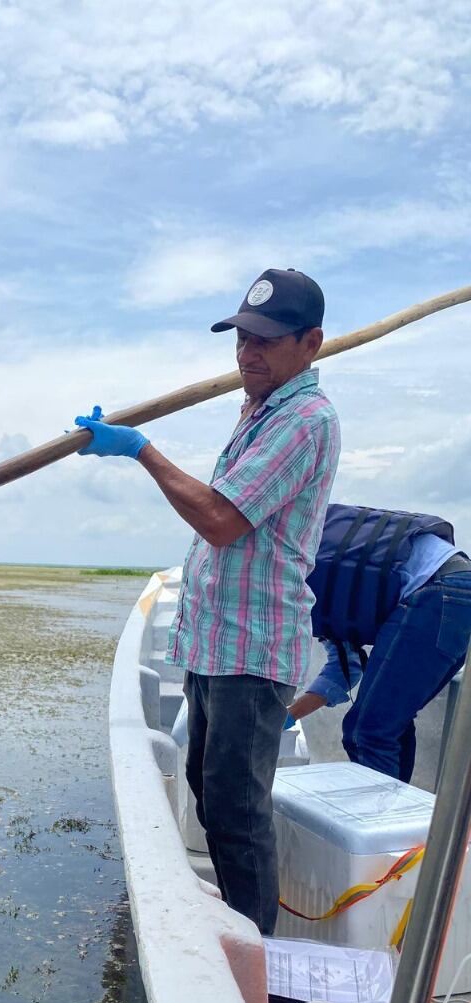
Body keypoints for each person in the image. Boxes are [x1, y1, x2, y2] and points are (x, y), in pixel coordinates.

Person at [75, 267, 340, 935]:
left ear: (311, 344)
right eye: (242, 339)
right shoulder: (260, 408)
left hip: (253, 650)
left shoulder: (305, 419)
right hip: (216, 642)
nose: (248, 354)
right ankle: (240, 919)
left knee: (236, 809)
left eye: (267, 342)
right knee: (205, 782)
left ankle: (255, 949)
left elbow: (222, 520)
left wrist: (141, 449)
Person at [286, 503, 471, 782]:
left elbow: (344, 668)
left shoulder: (292, 574)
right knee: (389, 725)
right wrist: (289, 716)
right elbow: (346, 667)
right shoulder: (322, 566)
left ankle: (378, 821)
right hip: (455, 588)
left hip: (436, 590)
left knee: (367, 732)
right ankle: (400, 819)